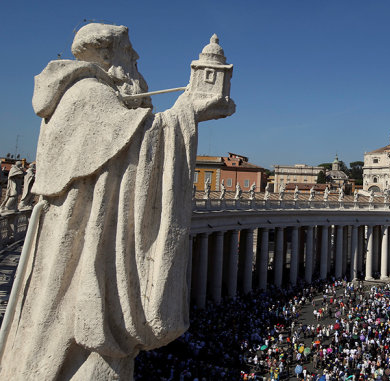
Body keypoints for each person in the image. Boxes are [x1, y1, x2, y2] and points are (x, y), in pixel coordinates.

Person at [0, 23, 234, 379]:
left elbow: (127, 140)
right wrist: (187, 111)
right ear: (107, 55)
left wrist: (182, 113)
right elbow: (137, 144)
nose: (137, 58)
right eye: (130, 51)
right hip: (77, 249)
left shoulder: (97, 95)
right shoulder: (88, 94)